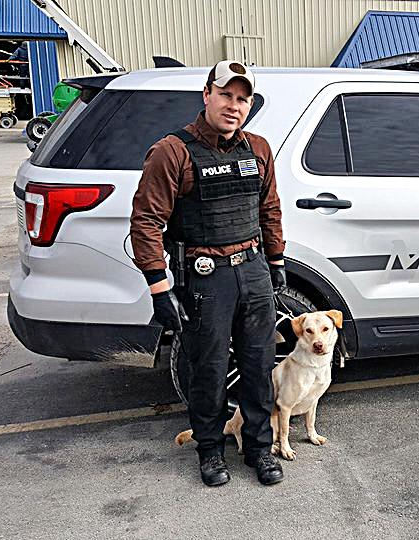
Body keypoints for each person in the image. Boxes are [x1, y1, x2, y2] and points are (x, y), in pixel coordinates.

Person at [130, 60, 286, 487]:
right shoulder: (173, 151)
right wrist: (160, 290)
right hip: (205, 277)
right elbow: (145, 222)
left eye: (243, 98)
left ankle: (258, 449)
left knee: (258, 367)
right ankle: (211, 452)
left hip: (252, 270)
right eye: (226, 95)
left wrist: (275, 261)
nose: (234, 106)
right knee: (209, 370)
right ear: (206, 95)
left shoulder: (258, 148)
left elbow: (268, 208)